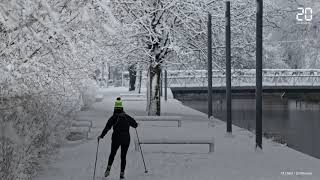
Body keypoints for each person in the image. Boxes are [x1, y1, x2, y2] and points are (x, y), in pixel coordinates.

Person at [98, 97, 138, 179]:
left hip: (116, 138)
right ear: (122, 109)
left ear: (115, 109)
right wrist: (133, 122)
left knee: (112, 154)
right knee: (123, 157)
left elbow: (107, 127)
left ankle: (108, 169)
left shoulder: (113, 117)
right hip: (126, 139)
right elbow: (135, 125)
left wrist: (101, 136)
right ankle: (122, 173)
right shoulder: (126, 116)